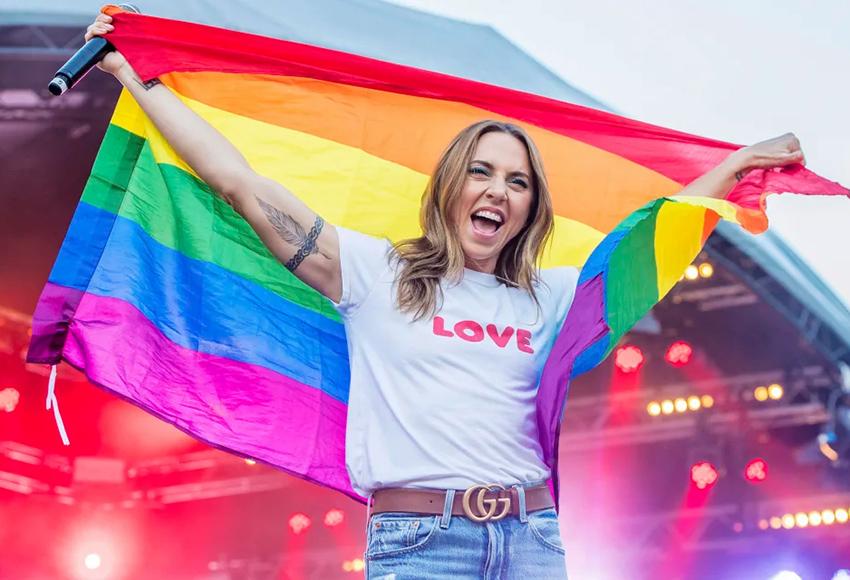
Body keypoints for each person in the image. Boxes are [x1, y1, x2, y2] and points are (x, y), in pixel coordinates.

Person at [85, 12, 805, 579]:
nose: (498, 191)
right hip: (421, 546)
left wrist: (737, 164)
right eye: (483, 173)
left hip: (532, 541)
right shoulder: (375, 274)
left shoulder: (550, 298)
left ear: (529, 209)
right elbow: (241, 185)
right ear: (452, 189)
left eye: (517, 182)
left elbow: (656, 234)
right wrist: (133, 75)